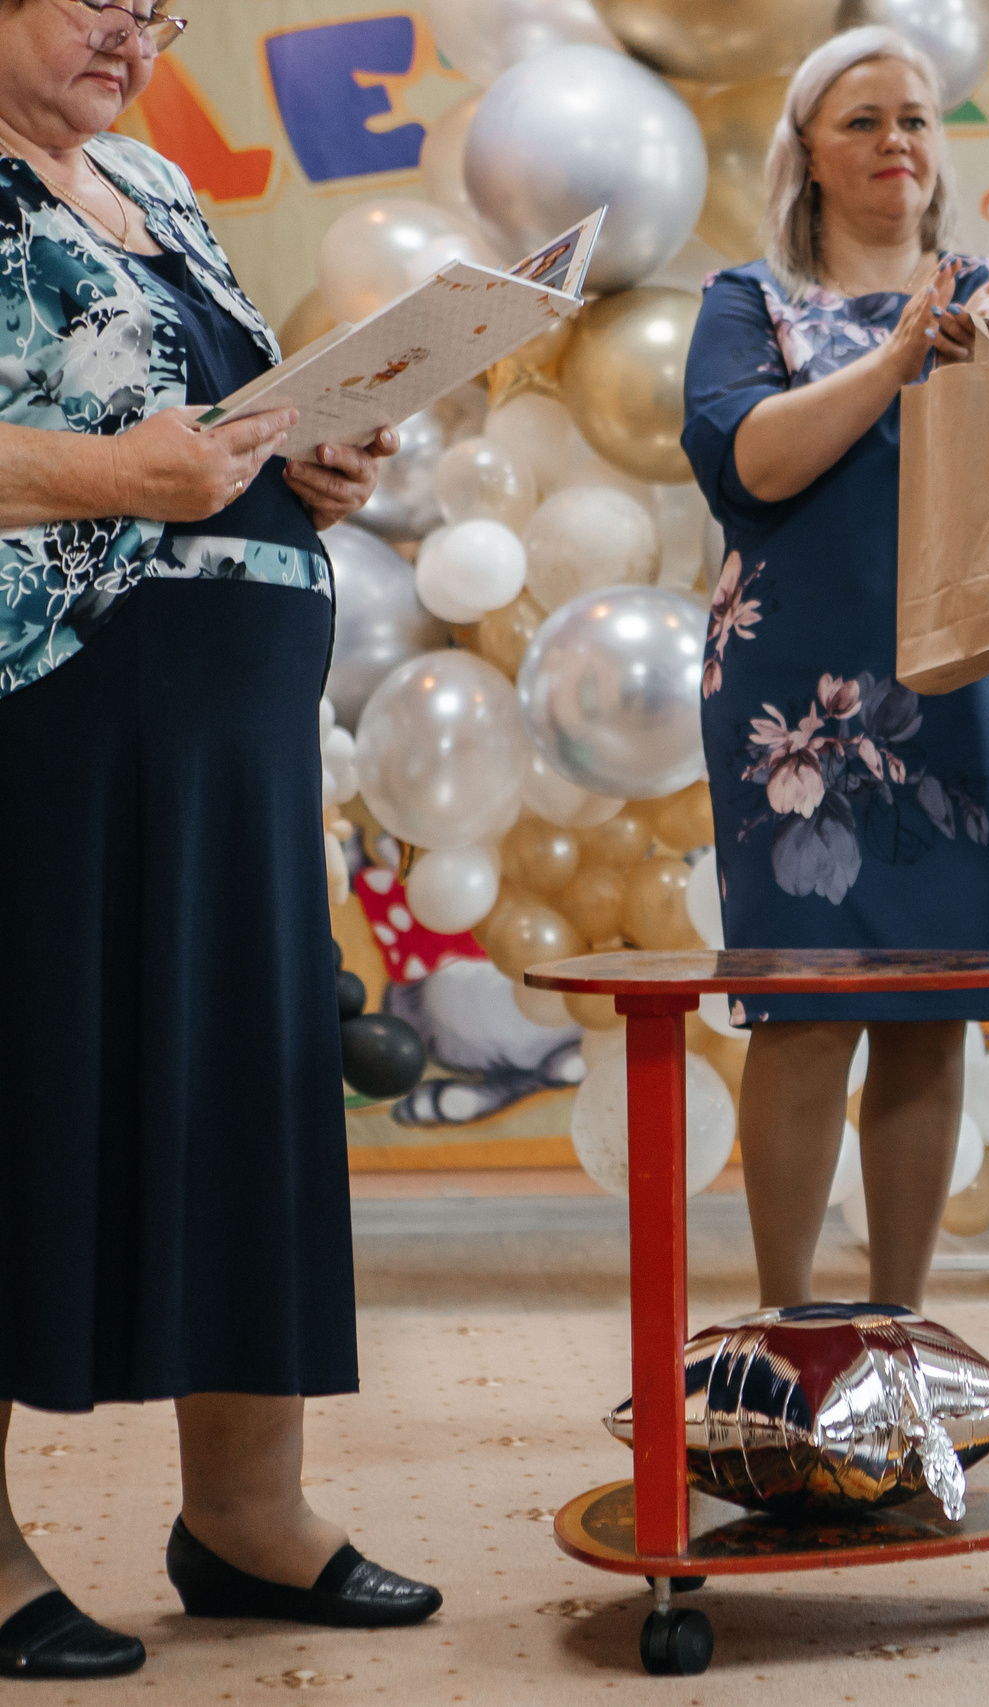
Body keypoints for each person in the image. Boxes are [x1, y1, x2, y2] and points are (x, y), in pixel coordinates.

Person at [0, 0, 441, 1679]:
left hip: (234, 737)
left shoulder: (157, 186)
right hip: (45, 709)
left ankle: (248, 1515)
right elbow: (121, 459)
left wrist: (301, 461)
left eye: (159, 4)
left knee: (242, 1092)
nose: (136, 26)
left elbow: (210, 433)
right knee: (33, 1090)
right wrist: (113, 470)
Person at [681, 25, 989, 1313]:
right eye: (862, 120)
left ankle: (900, 1333)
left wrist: (981, 370)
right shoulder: (748, 300)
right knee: (804, 1010)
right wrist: (897, 359)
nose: (894, 140)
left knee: (930, 1015)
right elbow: (751, 463)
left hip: (956, 687)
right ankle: (787, 1329)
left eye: (914, 117)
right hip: (792, 707)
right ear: (806, 147)